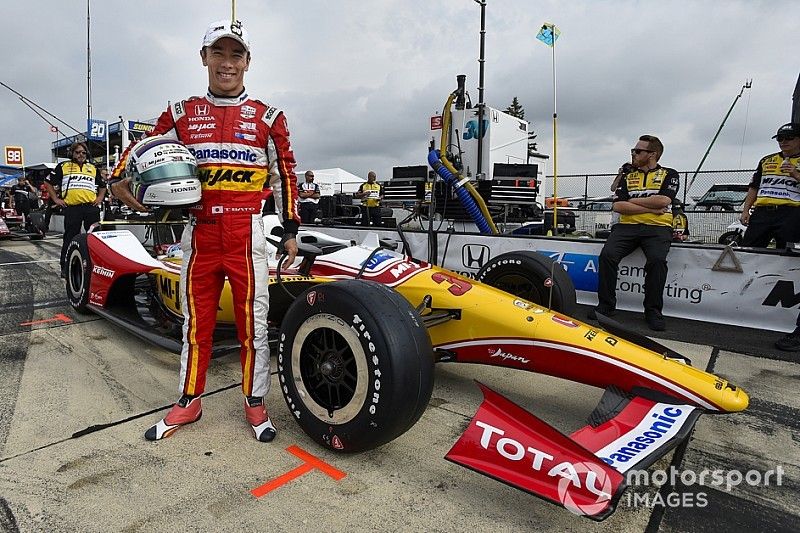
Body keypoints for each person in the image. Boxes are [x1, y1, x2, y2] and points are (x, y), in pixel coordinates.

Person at [111, 19, 299, 443]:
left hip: (247, 233)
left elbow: (285, 176)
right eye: (219, 53)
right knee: (195, 323)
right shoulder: (182, 112)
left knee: (254, 324)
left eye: (236, 54)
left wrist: (289, 230)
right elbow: (142, 146)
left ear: (248, 62)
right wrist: (116, 178)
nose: (227, 63)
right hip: (198, 233)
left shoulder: (269, 117)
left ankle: (255, 402)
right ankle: (189, 400)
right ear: (204, 58)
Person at [589, 135, 680, 331]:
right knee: (607, 256)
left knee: (657, 261)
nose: (634, 154)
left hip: (658, 228)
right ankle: (606, 305)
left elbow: (664, 201)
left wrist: (634, 203)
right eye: (633, 150)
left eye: (638, 151)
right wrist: (650, 207)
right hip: (626, 227)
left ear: (652, 154)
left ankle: (653, 311)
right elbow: (618, 206)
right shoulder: (628, 175)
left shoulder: (669, 174)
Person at [45, 142, 105, 277]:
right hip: (72, 209)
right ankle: (65, 267)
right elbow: (47, 182)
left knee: (95, 237)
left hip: (91, 208)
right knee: (70, 238)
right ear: (72, 153)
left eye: (83, 153)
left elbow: (103, 185)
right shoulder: (63, 166)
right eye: (77, 152)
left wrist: (100, 198)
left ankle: (96, 266)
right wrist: (55, 199)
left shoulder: (93, 168)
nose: (81, 155)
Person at [740, 123, 800, 249]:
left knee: (788, 253)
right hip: (762, 212)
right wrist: (746, 210)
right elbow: (754, 187)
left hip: (791, 212)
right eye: (780, 138)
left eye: (789, 137)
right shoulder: (766, 160)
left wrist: (795, 174)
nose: (783, 141)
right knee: (748, 249)